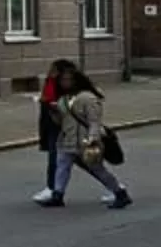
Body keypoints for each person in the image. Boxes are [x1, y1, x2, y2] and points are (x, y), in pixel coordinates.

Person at [36, 61, 130, 209]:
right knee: (62, 168)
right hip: (67, 140)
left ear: (76, 81)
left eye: (67, 80)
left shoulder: (88, 98)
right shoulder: (64, 99)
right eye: (62, 80)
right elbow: (61, 121)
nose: (64, 83)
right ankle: (57, 195)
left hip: (85, 142)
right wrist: (52, 111)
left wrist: (93, 140)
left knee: (98, 170)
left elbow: (94, 122)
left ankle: (120, 193)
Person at [36, 62, 64, 201]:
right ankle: (53, 190)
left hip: (61, 126)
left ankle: (115, 188)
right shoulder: (50, 82)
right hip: (52, 125)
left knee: (89, 162)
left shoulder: (63, 84)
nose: (51, 72)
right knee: (57, 159)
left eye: (54, 70)